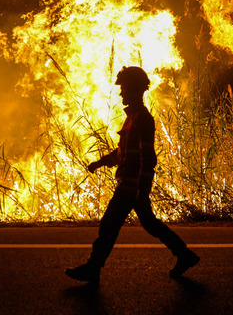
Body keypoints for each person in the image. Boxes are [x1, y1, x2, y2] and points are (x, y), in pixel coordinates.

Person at [65, 66, 200, 284]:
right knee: (149, 223)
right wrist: (101, 162)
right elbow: (122, 153)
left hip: (131, 186)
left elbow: (148, 157)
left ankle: (93, 268)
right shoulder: (132, 118)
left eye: (125, 89)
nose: (121, 94)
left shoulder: (142, 120)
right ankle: (184, 255)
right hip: (130, 184)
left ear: (135, 90)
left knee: (109, 224)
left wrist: (141, 187)